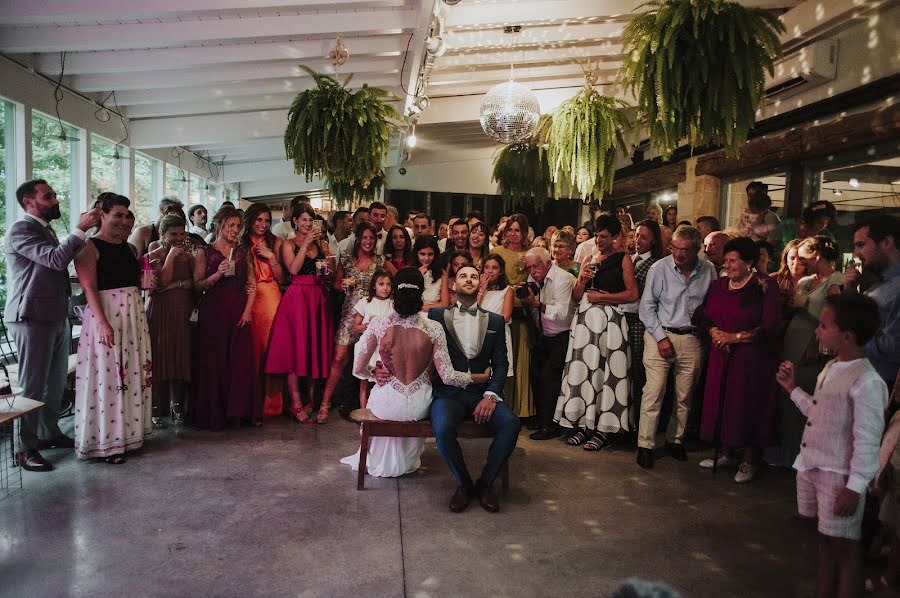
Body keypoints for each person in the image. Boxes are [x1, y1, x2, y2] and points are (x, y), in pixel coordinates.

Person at [776, 293, 888, 598]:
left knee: (845, 550)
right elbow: (820, 413)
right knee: (825, 542)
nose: (817, 331)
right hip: (813, 465)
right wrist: (793, 389)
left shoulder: (867, 381)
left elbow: (867, 440)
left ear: (847, 336)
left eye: (824, 326)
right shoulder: (831, 367)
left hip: (838, 476)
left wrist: (855, 486)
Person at [346, 268, 490, 479]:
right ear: (421, 293)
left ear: (395, 291)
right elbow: (448, 376)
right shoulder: (433, 328)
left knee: (377, 395)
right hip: (419, 406)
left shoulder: (379, 323)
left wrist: (373, 373)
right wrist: (481, 377)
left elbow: (357, 368)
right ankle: (406, 459)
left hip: (387, 406)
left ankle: (380, 458)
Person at [5, 180, 100, 471]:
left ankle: (48, 433)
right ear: (28, 202)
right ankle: (24, 449)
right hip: (30, 318)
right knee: (33, 386)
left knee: (55, 382)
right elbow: (55, 260)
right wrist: (80, 229)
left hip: (56, 315)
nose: (55, 199)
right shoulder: (21, 229)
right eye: (49, 196)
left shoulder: (45, 229)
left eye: (55, 194)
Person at [418, 266, 518, 512]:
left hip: (482, 394)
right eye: (463, 275)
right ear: (453, 284)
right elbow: (418, 348)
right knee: (441, 428)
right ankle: (464, 483)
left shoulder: (495, 320)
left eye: (474, 276)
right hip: (448, 394)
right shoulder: (436, 316)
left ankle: (485, 483)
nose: (469, 279)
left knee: (511, 424)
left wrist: (491, 396)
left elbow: (502, 363)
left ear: (480, 284)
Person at [694, 237, 781, 483]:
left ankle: (750, 460)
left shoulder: (764, 285)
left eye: (733, 261)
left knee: (746, 405)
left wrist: (735, 337)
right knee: (721, 401)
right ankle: (726, 453)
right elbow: (705, 315)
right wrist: (714, 333)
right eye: (726, 260)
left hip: (750, 357)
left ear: (749, 262)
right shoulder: (719, 285)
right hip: (720, 354)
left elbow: (770, 325)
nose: (728, 265)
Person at [73, 193, 152, 464]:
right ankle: (108, 442)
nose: (124, 220)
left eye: (127, 215)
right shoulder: (89, 247)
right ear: (102, 215)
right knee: (109, 378)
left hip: (133, 314)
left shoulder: (130, 248)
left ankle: (130, 434)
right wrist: (102, 323)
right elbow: (88, 288)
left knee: (131, 373)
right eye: (117, 214)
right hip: (106, 315)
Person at [636, 225, 717, 469]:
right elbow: (646, 307)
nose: (678, 255)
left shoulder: (708, 270)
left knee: (685, 395)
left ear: (696, 249)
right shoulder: (659, 268)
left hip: (691, 337)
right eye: (675, 248)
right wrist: (661, 338)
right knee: (654, 391)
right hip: (660, 332)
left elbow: (712, 304)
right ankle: (645, 445)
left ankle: (675, 440)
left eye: (684, 250)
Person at [555, 214, 638, 450]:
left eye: (603, 237)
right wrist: (582, 278)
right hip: (585, 322)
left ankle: (604, 429)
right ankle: (584, 425)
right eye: (596, 236)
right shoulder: (590, 258)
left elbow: (632, 294)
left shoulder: (624, 259)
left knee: (605, 374)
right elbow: (577, 295)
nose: (599, 240)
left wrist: (603, 297)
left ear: (614, 237)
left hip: (610, 322)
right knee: (584, 372)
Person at [778, 236, 844, 467]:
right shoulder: (805, 281)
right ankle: (787, 453)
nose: (800, 260)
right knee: (786, 398)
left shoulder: (836, 281)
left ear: (817, 255)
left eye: (804, 255)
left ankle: (803, 457)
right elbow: (795, 308)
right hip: (793, 338)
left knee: (803, 397)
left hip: (811, 345)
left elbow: (836, 318)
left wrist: (817, 345)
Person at [265, 203, 334, 424]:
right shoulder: (288, 244)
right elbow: (293, 270)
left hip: (318, 296)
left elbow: (328, 274)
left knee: (314, 348)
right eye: (303, 220)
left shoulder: (322, 244)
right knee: (295, 351)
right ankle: (295, 403)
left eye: (310, 220)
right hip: (297, 297)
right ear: (294, 221)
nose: (306, 224)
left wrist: (329, 267)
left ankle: (313, 401)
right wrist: (305, 244)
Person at [192, 206, 257, 430]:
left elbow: (252, 285)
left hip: (238, 310)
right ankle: (215, 413)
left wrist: (248, 311)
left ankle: (237, 413)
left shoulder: (243, 251)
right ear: (219, 225)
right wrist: (218, 273)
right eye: (231, 225)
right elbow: (197, 285)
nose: (235, 230)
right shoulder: (205, 251)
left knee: (238, 362)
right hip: (213, 312)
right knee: (215, 362)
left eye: (238, 226)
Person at [319, 222, 384, 423]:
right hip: (349, 313)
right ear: (358, 239)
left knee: (371, 362)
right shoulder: (347, 260)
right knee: (339, 358)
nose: (368, 241)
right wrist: (343, 284)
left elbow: (392, 281)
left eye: (371, 238)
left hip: (372, 315)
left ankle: (370, 407)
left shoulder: (380, 261)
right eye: (364, 237)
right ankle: (325, 404)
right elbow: (336, 283)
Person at [520, 248, 576, 441]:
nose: (532, 271)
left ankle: (550, 425)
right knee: (536, 376)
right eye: (529, 267)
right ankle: (542, 419)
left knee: (550, 379)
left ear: (548, 263)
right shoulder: (532, 280)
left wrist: (537, 304)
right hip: (542, 335)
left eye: (535, 266)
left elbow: (561, 313)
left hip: (562, 335)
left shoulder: (563, 279)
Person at [146, 214, 195, 426]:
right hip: (160, 310)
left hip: (183, 308)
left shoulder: (190, 252)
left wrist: (177, 285)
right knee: (159, 357)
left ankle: (178, 406)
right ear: (163, 234)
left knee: (180, 356)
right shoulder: (154, 252)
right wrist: (171, 256)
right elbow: (160, 281)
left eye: (181, 233)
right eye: (173, 234)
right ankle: (156, 407)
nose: (178, 237)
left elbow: (196, 280)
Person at [239, 203, 285, 422]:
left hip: (271, 299)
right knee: (250, 352)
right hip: (248, 298)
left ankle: (271, 405)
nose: (263, 225)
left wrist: (270, 257)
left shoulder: (275, 242)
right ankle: (250, 403)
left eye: (267, 221)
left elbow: (283, 278)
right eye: (259, 220)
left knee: (270, 350)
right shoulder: (240, 243)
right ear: (250, 220)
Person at [844, 216, 900, 390]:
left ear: (886, 242)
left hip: (884, 386)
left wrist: (851, 339)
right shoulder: (878, 283)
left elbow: (894, 348)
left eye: (861, 245)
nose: (855, 255)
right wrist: (850, 290)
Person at [620, 220, 665, 425]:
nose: (638, 240)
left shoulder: (655, 265)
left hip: (640, 325)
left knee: (638, 373)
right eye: (636, 235)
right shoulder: (630, 259)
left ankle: (636, 421)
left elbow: (645, 300)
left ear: (654, 240)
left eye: (644, 237)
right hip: (623, 322)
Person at [350, 270, 394, 410]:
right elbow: (355, 327)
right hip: (369, 347)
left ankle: (382, 411)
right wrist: (370, 325)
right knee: (365, 382)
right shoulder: (365, 302)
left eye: (388, 284)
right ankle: (364, 413)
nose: (385, 288)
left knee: (385, 380)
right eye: (381, 284)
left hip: (386, 347)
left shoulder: (393, 304)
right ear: (374, 286)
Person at [476, 254, 514, 380]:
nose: (490, 271)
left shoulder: (507, 290)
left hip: (499, 335)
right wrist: (482, 289)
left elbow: (505, 317)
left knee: (498, 376)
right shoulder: (477, 289)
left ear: (501, 271)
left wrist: (482, 319)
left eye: (494, 268)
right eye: (486, 267)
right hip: (479, 335)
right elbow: (472, 310)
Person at [768, 200, 837, 269]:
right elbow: (767, 248)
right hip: (780, 273)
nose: (823, 225)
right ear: (812, 217)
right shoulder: (786, 226)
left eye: (827, 223)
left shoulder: (826, 235)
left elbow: (832, 261)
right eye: (820, 222)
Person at [411, 235, 449, 311]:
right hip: (412, 316)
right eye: (422, 254)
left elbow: (444, 303)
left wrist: (420, 309)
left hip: (433, 316)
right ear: (416, 254)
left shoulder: (442, 274)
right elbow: (408, 301)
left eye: (430, 254)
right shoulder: (408, 272)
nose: (426, 258)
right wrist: (417, 276)